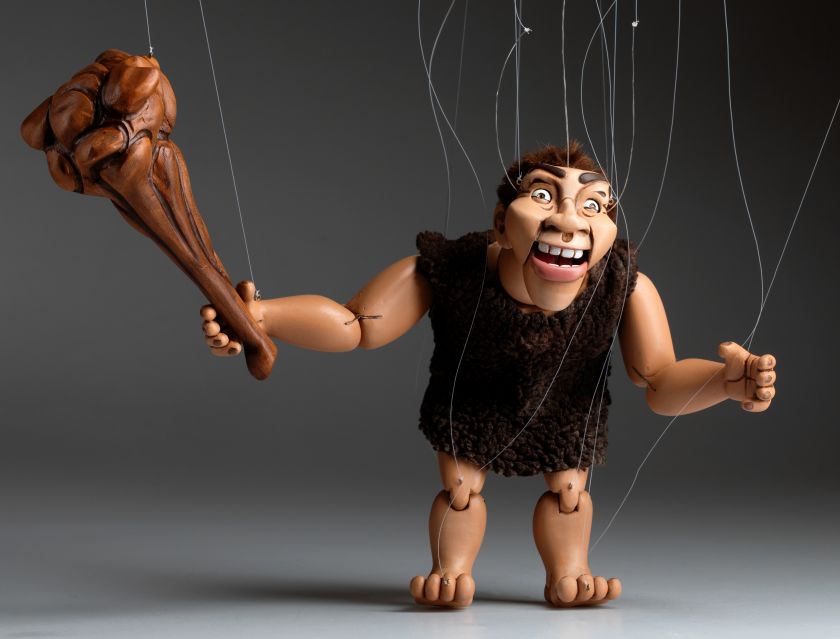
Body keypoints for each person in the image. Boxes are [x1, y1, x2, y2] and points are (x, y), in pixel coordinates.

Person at [200, 142, 777, 608]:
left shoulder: (623, 285)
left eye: (594, 205)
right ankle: (451, 569)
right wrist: (260, 317)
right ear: (502, 221)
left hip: (565, 408)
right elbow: (356, 325)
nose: (569, 220)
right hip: (470, 398)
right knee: (460, 490)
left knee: (570, 494)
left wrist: (725, 383)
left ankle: (569, 572)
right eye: (544, 196)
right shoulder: (452, 268)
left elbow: (658, 380)